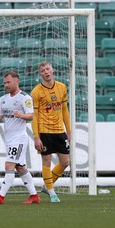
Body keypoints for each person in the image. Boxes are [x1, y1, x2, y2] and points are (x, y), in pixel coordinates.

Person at [0, 71, 40, 205]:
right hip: (9, 139)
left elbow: (31, 116)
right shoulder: (3, 99)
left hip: (19, 138)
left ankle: (0, 196)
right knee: (21, 168)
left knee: (9, 165)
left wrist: (20, 115)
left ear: (16, 81)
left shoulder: (24, 98)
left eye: (8, 82)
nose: (6, 85)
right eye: (4, 83)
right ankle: (34, 196)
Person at [31, 61, 71, 203]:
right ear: (40, 74)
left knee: (65, 162)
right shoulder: (36, 92)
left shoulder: (62, 87)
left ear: (52, 70)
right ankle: (52, 193)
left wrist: (69, 131)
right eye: (43, 71)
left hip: (59, 131)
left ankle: (46, 186)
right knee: (46, 161)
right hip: (45, 131)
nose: (46, 72)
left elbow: (64, 110)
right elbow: (34, 116)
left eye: (47, 69)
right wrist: (36, 137)